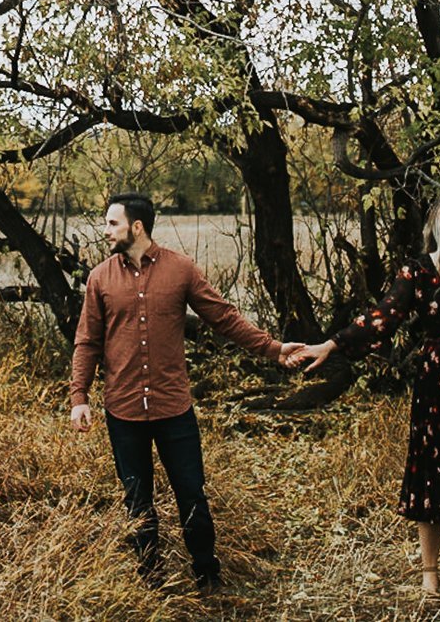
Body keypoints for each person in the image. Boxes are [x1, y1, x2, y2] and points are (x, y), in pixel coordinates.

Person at [289, 193, 440, 595]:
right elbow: (380, 319)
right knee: (433, 476)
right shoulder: (419, 273)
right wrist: (332, 344)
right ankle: (430, 575)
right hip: (437, 386)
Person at [68, 193, 298, 593]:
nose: (105, 231)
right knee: (137, 501)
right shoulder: (100, 278)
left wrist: (274, 350)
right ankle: (151, 581)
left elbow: (224, 318)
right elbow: (87, 341)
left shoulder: (181, 270)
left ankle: (208, 575)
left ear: (136, 227)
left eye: (112, 224)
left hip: (174, 408)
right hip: (122, 412)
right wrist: (79, 397)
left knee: (191, 494)